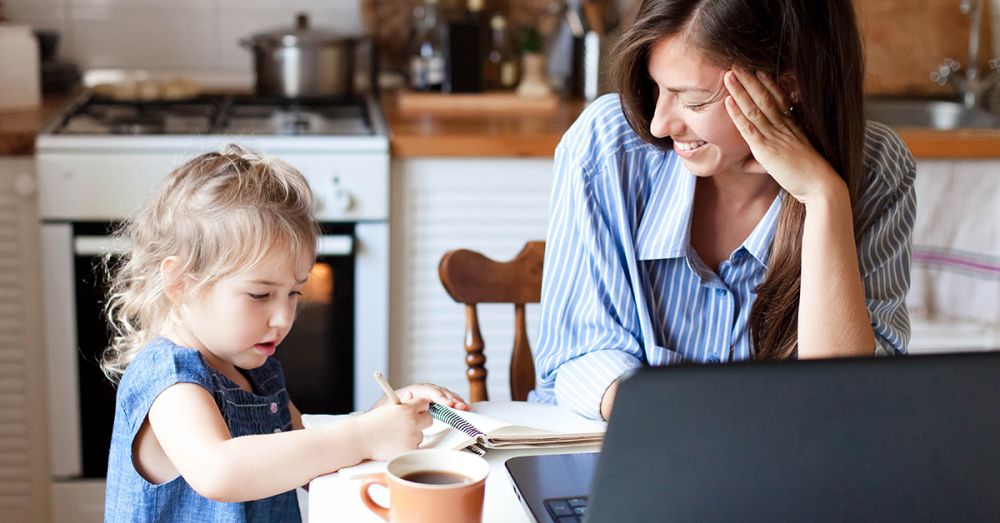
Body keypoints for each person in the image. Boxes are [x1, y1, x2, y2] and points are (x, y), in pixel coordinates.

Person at [530, 0, 916, 421]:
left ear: (788, 86)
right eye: (657, 86)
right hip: (619, 452)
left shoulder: (877, 168)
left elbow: (850, 398)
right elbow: (579, 357)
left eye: (693, 101)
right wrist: (709, 425)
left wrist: (823, 199)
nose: (659, 124)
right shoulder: (607, 147)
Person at [101, 145, 467, 522]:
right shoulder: (169, 379)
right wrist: (363, 436)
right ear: (180, 282)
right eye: (260, 295)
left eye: (294, 292)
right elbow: (219, 471)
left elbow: (307, 457)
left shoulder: (258, 370)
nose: (283, 317)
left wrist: (380, 419)